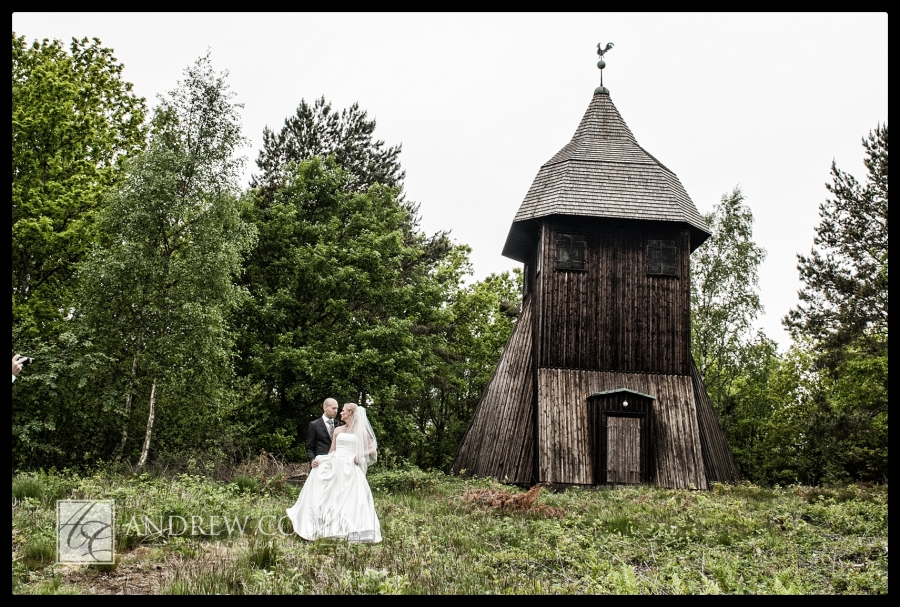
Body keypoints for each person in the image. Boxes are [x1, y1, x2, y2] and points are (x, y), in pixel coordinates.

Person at [286, 402, 381, 543]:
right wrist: (320, 461)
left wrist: (360, 455)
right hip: (336, 464)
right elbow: (332, 451)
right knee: (331, 495)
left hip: (350, 467)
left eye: (343, 410)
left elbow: (373, 448)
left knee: (352, 499)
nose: (340, 412)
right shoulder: (338, 430)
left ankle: (352, 529)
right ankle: (323, 524)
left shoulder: (360, 430)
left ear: (350, 413)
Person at [306, 398, 342, 463]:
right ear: (325, 408)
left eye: (337, 408)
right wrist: (312, 460)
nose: (336, 411)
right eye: (333, 408)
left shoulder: (340, 425)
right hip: (321, 462)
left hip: (337, 463)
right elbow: (310, 447)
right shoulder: (314, 425)